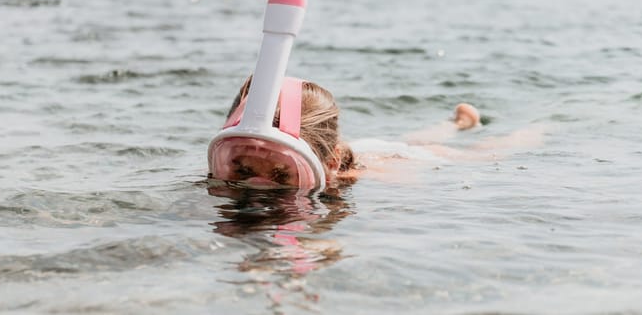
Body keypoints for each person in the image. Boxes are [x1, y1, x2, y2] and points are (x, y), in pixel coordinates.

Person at [207, 75, 494, 193]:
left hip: (400, 157)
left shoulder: (343, 184)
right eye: (242, 170)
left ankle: (462, 126)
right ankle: (456, 124)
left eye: (282, 175)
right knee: (414, 137)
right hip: (350, 149)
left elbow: (412, 181)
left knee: (472, 154)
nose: (259, 186)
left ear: (329, 165)